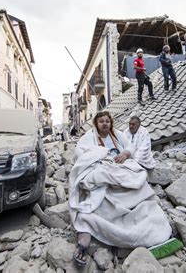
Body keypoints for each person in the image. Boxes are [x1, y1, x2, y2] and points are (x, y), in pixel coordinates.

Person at [69, 111, 171, 267]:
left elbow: (130, 146)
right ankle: (88, 233)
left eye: (107, 121)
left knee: (138, 175)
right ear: (96, 123)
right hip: (102, 166)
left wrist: (125, 153)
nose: (104, 124)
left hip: (120, 166)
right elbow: (79, 152)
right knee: (98, 182)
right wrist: (99, 155)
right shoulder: (88, 137)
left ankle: (141, 216)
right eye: (101, 121)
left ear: (111, 123)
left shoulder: (116, 135)